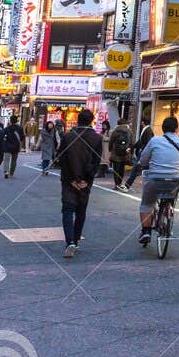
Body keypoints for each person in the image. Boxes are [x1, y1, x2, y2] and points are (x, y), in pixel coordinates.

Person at [134, 118, 179, 247]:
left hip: (155, 179)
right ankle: (168, 210)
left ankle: (146, 231)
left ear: (162, 129)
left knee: (147, 204)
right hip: (174, 181)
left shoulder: (155, 141)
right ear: (177, 129)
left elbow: (143, 160)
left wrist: (144, 164)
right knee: (170, 196)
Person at [57, 110, 104, 258]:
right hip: (86, 181)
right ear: (91, 121)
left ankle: (70, 241)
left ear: (78, 120)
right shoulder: (97, 138)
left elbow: (60, 159)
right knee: (81, 211)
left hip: (68, 180)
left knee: (68, 209)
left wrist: (72, 178)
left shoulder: (68, 136)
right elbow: (97, 161)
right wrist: (86, 179)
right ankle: (76, 240)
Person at [124, 121, 156, 190]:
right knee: (143, 169)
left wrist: (144, 152)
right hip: (144, 152)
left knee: (136, 169)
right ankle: (127, 185)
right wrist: (131, 147)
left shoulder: (148, 130)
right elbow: (140, 142)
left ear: (142, 122)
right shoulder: (146, 130)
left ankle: (127, 186)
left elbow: (147, 143)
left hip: (144, 153)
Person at [107, 121, 134, 190]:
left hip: (115, 153)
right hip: (125, 153)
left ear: (118, 124)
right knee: (122, 169)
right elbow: (132, 142)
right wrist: (130, 151)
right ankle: (120, 183)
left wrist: (110, 149)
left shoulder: (115, 131)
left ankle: (117, 184)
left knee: (116, 169)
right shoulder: (129, 131)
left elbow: (111, 141)